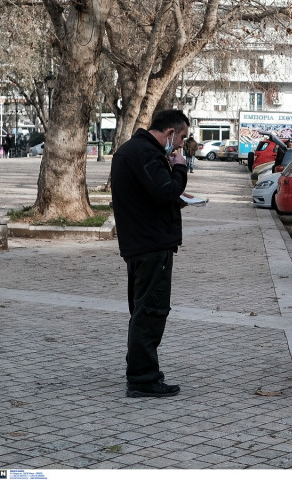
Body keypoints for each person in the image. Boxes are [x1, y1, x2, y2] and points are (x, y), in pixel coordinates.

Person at [110, 109, 189, 398]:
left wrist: (174, 198)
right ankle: (143, 379)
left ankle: (141, 370)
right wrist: (180, 168)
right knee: (151, 312)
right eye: (181, 137)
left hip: (140, 243)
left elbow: (151, 195)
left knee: (143, 310)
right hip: (150, 247)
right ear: (170, 132)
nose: (181, 144)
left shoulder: (133, 150)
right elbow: (165, 192)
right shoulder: (145, 153)